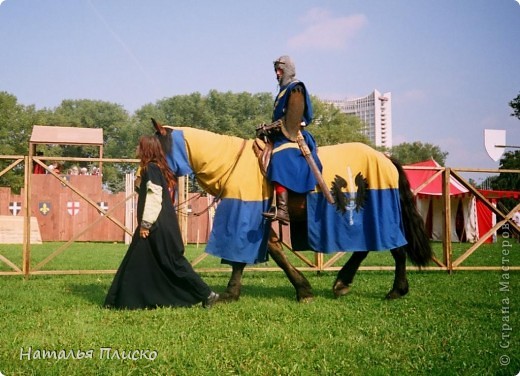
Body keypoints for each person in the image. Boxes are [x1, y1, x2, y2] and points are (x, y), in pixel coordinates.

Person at [104, 135, 219, 310]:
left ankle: (207, 294)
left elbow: (154, 197)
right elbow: (142, 189)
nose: (136, 148)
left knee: (173, 262)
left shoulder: (152, 168)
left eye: (139, 145)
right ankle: (127, 300)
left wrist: (146, 224)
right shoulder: (151, 168)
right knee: (140, 260)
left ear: (146, 149)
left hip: (158, 225)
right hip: (158, 223)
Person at [261, 55, 322, 225]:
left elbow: (292, 122)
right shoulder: (282, 91)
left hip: (293, 136)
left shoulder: (296, 88)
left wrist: (273, 127)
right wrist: (266, 128)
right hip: (281, 135)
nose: (277, 74)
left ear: (287, 70)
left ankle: (283, 210)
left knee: (280, 158)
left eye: (279, 70)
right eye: (276, 71)